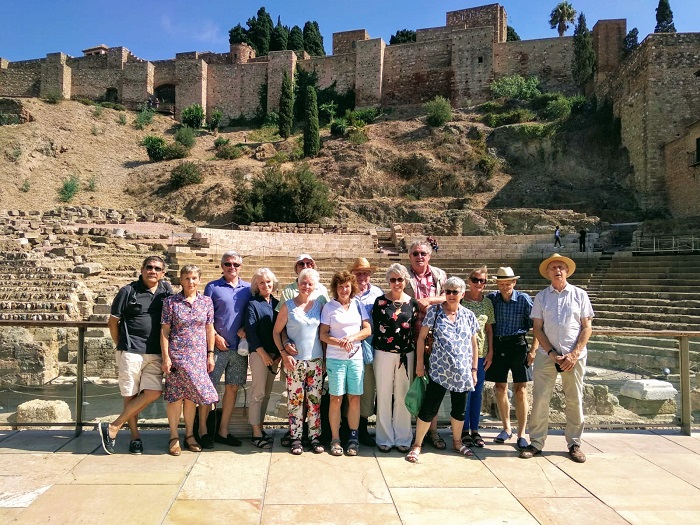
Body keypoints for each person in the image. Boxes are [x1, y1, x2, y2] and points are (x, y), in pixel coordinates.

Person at [521, 254, 594, 463]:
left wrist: (574, 354)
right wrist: (552, 353)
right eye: (553, 268)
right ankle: (536, 442)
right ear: (548, 273)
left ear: (567, 271)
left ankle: (574, 443)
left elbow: (587, 327)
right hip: (547, 356)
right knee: (541, 399)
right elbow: (537, 328)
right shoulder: (542, 297)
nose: (557, 271)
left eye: (560, 267)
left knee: (574, 399)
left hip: (575, 357)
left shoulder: (580, 295)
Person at [99, 255, 172, 455]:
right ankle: (134, 437)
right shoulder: (127, 291)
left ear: (163, 273)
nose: (153, 271)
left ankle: (113, 427)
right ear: (141, 269)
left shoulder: (166, 291)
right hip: (131, 351)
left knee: (154, 392)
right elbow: (113, 322)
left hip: (156, 352)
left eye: (157, 268)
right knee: (130, 396)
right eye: (149, 267)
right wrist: (121, 345)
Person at [405, 277, 479, 463]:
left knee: (459, 410)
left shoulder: (469, 315)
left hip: (462, 372)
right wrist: (420, 364)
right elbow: (421, 339)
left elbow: (474, 344)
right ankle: (417, 444)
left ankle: (456, 442)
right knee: (429, 408)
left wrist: (474, 369)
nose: (452, 295)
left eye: (455, 292)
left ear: (463, 294)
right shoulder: (435, 312)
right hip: (439, 370)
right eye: (448, 291)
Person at [160, 265, 219, 456]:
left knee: (192, 397)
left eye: (194, 278)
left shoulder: (206, 302)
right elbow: (165, 331)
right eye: (187, 278)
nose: (190, 282)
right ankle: (174, 436)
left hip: (198, 357)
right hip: (177, 355)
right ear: (181, 280)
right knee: (176, 397)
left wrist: (210, 355)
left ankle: (190, 435)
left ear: (199, 280)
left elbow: (209, 329)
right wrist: (166, 357)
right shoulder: (171, 302)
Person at [275, 253, 329, 447]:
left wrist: (325, 358)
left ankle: (314, 437)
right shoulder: (288, 306)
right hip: (295, 361)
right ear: (298, 283)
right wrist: (284, 353)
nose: (306, 286)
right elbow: (276, 332)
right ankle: (296, 437)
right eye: (303, 283)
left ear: (315, 286)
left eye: (310, 284)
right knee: (295, 402)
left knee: (314, 402)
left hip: (316, 361)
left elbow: (323, 333)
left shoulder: (320, 305)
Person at [201, 250, 251, 448]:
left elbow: (252, 313)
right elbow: (206, 317)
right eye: (228, 264)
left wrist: (246, 328)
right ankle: (203, 431)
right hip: (217, 347)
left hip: (239, 350)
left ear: (241, 267)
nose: (232, 268)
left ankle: (223, 431)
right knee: (208, 389)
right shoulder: (212, 287)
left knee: (232, 388)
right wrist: (215, 338)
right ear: (222, 266)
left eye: (236, 265)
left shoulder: (248, 288)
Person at [320, 270, 372, 456]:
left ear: (352, 287)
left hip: (356, 358)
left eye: (347, 286)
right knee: (336, 399)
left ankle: (353, 436)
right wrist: (339, 342)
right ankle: (335, 438)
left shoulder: (358, 305)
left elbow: (367, 330)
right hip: (336, 359)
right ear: (335, 288)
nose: (344, 290)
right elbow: (323, 334)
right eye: (340, 287)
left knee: (355, 398)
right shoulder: (329, 307)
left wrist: (351, 338)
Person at [486, 267, 538, 450]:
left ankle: (522, 433)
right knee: (499, 387)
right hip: (499, 345)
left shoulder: (523, 299)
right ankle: (506, 428)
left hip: (518, 345)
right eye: (501, 283)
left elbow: (536, 325)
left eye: (508, 283)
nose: (504, 286)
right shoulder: (492, 299)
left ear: (514, 283)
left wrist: (533, 350)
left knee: (520, 390)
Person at [404, 240, 447, 450]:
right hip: (409, 338)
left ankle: (433, 431)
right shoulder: (404, 275)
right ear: (409, 256)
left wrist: (429, 300)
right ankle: (409, 431)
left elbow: (448, 296)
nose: (419, 256)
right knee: (410, 386)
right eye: (415, 253)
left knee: (433, 388)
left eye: (423, 253)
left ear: (429, 256)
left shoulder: (439, 275)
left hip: (433, 339)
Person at [372, 263, 419, 452]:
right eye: (393, 279)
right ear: (388, 281)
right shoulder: (380, 302)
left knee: (403, 395)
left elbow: (415, 329)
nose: (397, 283)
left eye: (400, 279)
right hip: (383, 353)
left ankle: (403, 437)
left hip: (405, 354)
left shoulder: (412, 303)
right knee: (383, 394)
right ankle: (384, 437)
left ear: (405, 280)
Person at [349, 257, 383, 447]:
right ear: (353, 274)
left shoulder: (377, 293)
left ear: (370, 275)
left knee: (367, 387)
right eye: (359, 272)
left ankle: (362, 428)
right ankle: (349, 427)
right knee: (350, 386)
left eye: (365, 273)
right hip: (350, 346)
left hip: (370, 345)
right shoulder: (347, 292)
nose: (362, 276)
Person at [244, 268, 280, 449]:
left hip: (274, 357)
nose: (266, 285)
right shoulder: (253, 304)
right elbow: (251, 332)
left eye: (268, 281)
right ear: (256, 286)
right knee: (257, 393)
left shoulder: (277, 303)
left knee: (266, 394)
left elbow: (281, 331)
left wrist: (278, 356)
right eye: (262, 282)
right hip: (259, 355)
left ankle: (261, 426)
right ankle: (255, 432)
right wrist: (264, 355)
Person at [460, 266, 494, 449]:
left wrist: (491, 352)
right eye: (475, 280)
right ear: (469, 280)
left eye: (483, 281)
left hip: (481, 354)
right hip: (463, 354)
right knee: (465, 393)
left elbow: (489, 328)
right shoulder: (461, 300)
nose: (479, 283)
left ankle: (475, 429)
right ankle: (463, 430)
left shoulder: (487, 303)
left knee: (477, 393)